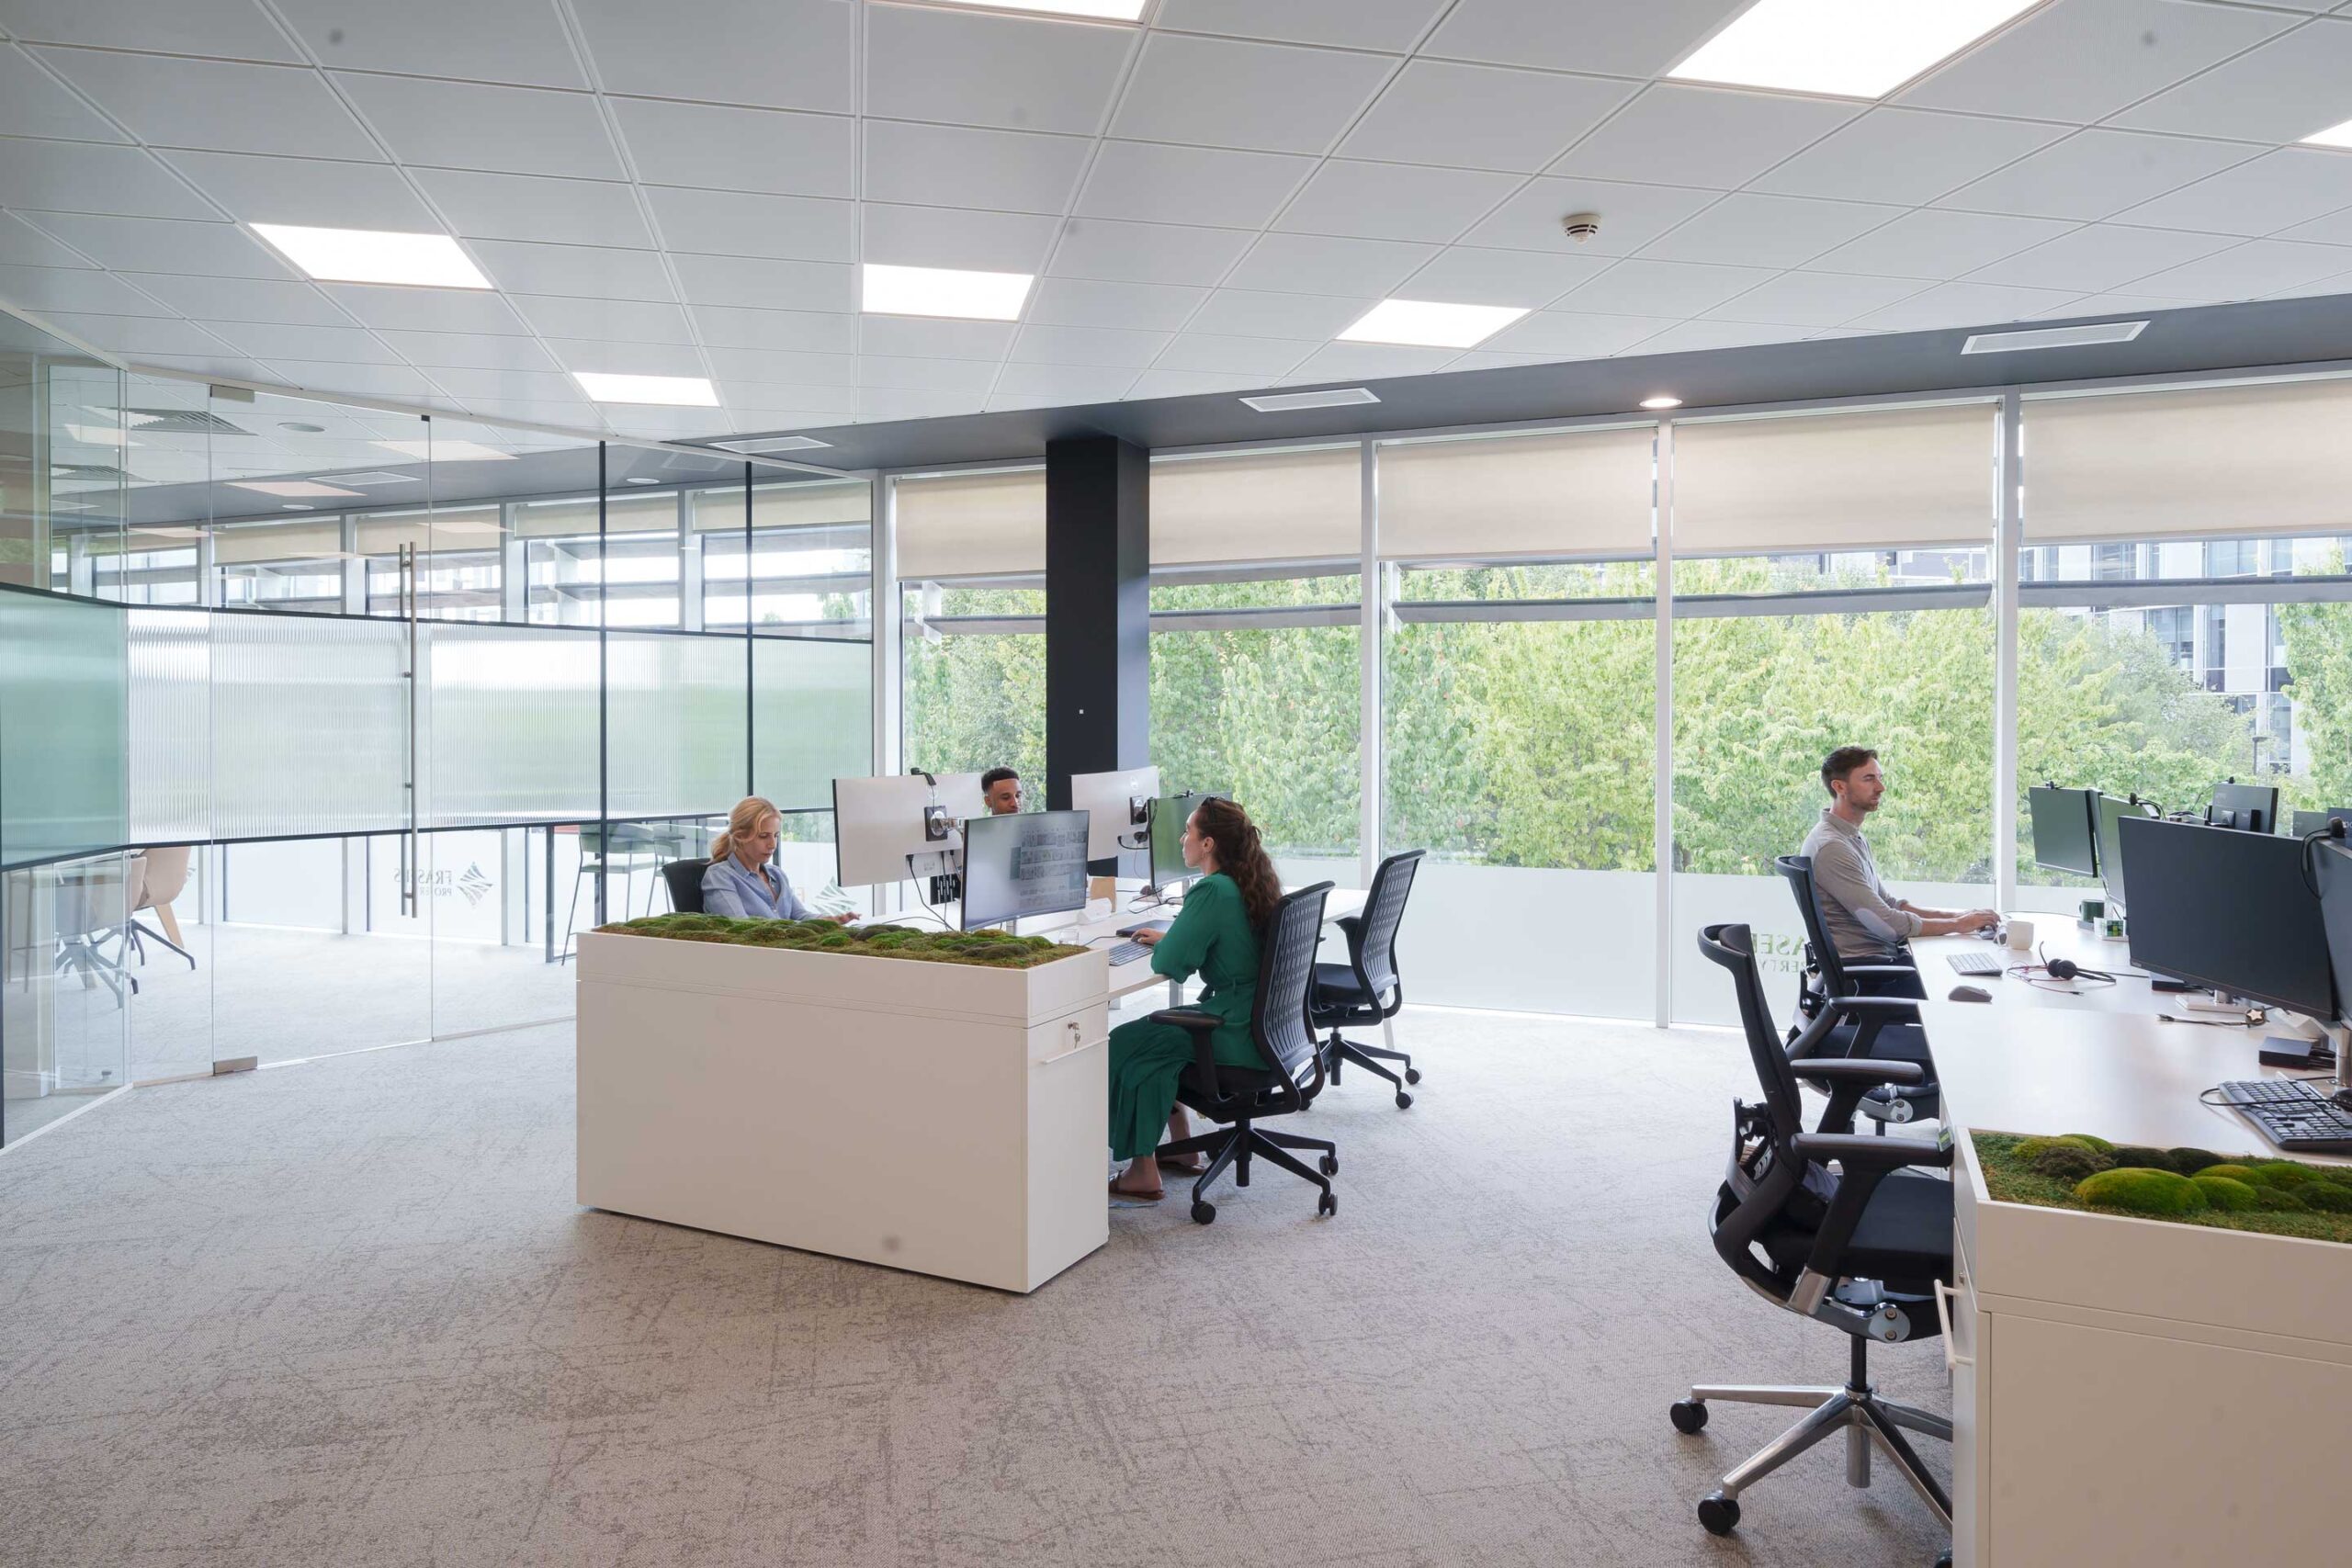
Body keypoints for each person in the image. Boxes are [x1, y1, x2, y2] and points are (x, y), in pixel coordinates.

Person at [1104, 796, 1283, 1202]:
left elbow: (1172, 962)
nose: (1183, 838)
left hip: (1235, 1031)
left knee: (1128, 1042)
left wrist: (1173, 940)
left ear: (1208, 845)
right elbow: (1215, 943)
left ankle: (1141, 1170)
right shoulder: (1248, 880)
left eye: (1189, 831)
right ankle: (1183, 1148)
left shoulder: (1211, 891)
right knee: (1158, 1032)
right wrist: (1180, 934)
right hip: (1265, 1026)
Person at [1801, 748, 1998, 995]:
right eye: (1869, 779)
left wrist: (1960, 916)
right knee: (1975, 989)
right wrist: (1959, 924)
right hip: (1869, 975)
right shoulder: (1833, 847)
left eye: (1880, 777)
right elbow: (1888, 926)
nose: (1881, 787)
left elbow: (1891, 904)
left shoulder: (1849, 836)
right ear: (1839, 787)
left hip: (1880, 963)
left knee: (1968, 976)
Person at [701, 796, 856, 924]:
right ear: (740, 836)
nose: (772, 844)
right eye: (763, 836)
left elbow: (800, 915)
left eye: (776, 836)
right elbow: (741, 927)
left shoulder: (777, 875)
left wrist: (829, 920)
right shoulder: (720, 876)